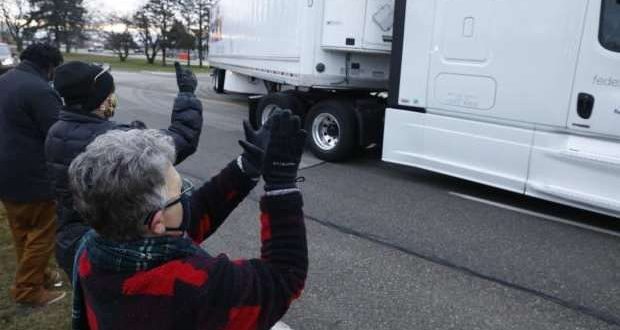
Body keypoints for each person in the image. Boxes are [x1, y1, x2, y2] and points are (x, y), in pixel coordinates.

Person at [69, 109, 308, 330]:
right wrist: (281, 184)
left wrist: (247, 166)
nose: (187, 197)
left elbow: (193, 215)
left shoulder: (92, 247)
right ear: (157, 222)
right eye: (180, 192)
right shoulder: (194, 286)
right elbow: (283, 279)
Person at [45, 61, 204, 278]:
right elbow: (182, 139)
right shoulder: (113, 140)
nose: (113, 98)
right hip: (109, 244)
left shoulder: (57, 129)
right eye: (110, 93)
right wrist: (187, 95)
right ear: (100, 101)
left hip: (70, 238)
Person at [0, 43, 65, 307]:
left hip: (5, 172)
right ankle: (28, 289)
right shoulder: (40, 91)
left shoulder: (5, 79)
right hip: (33, 175)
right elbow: (56, 133)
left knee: (22, 230)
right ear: (49, 67)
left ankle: (39, 275)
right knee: (42, 234)